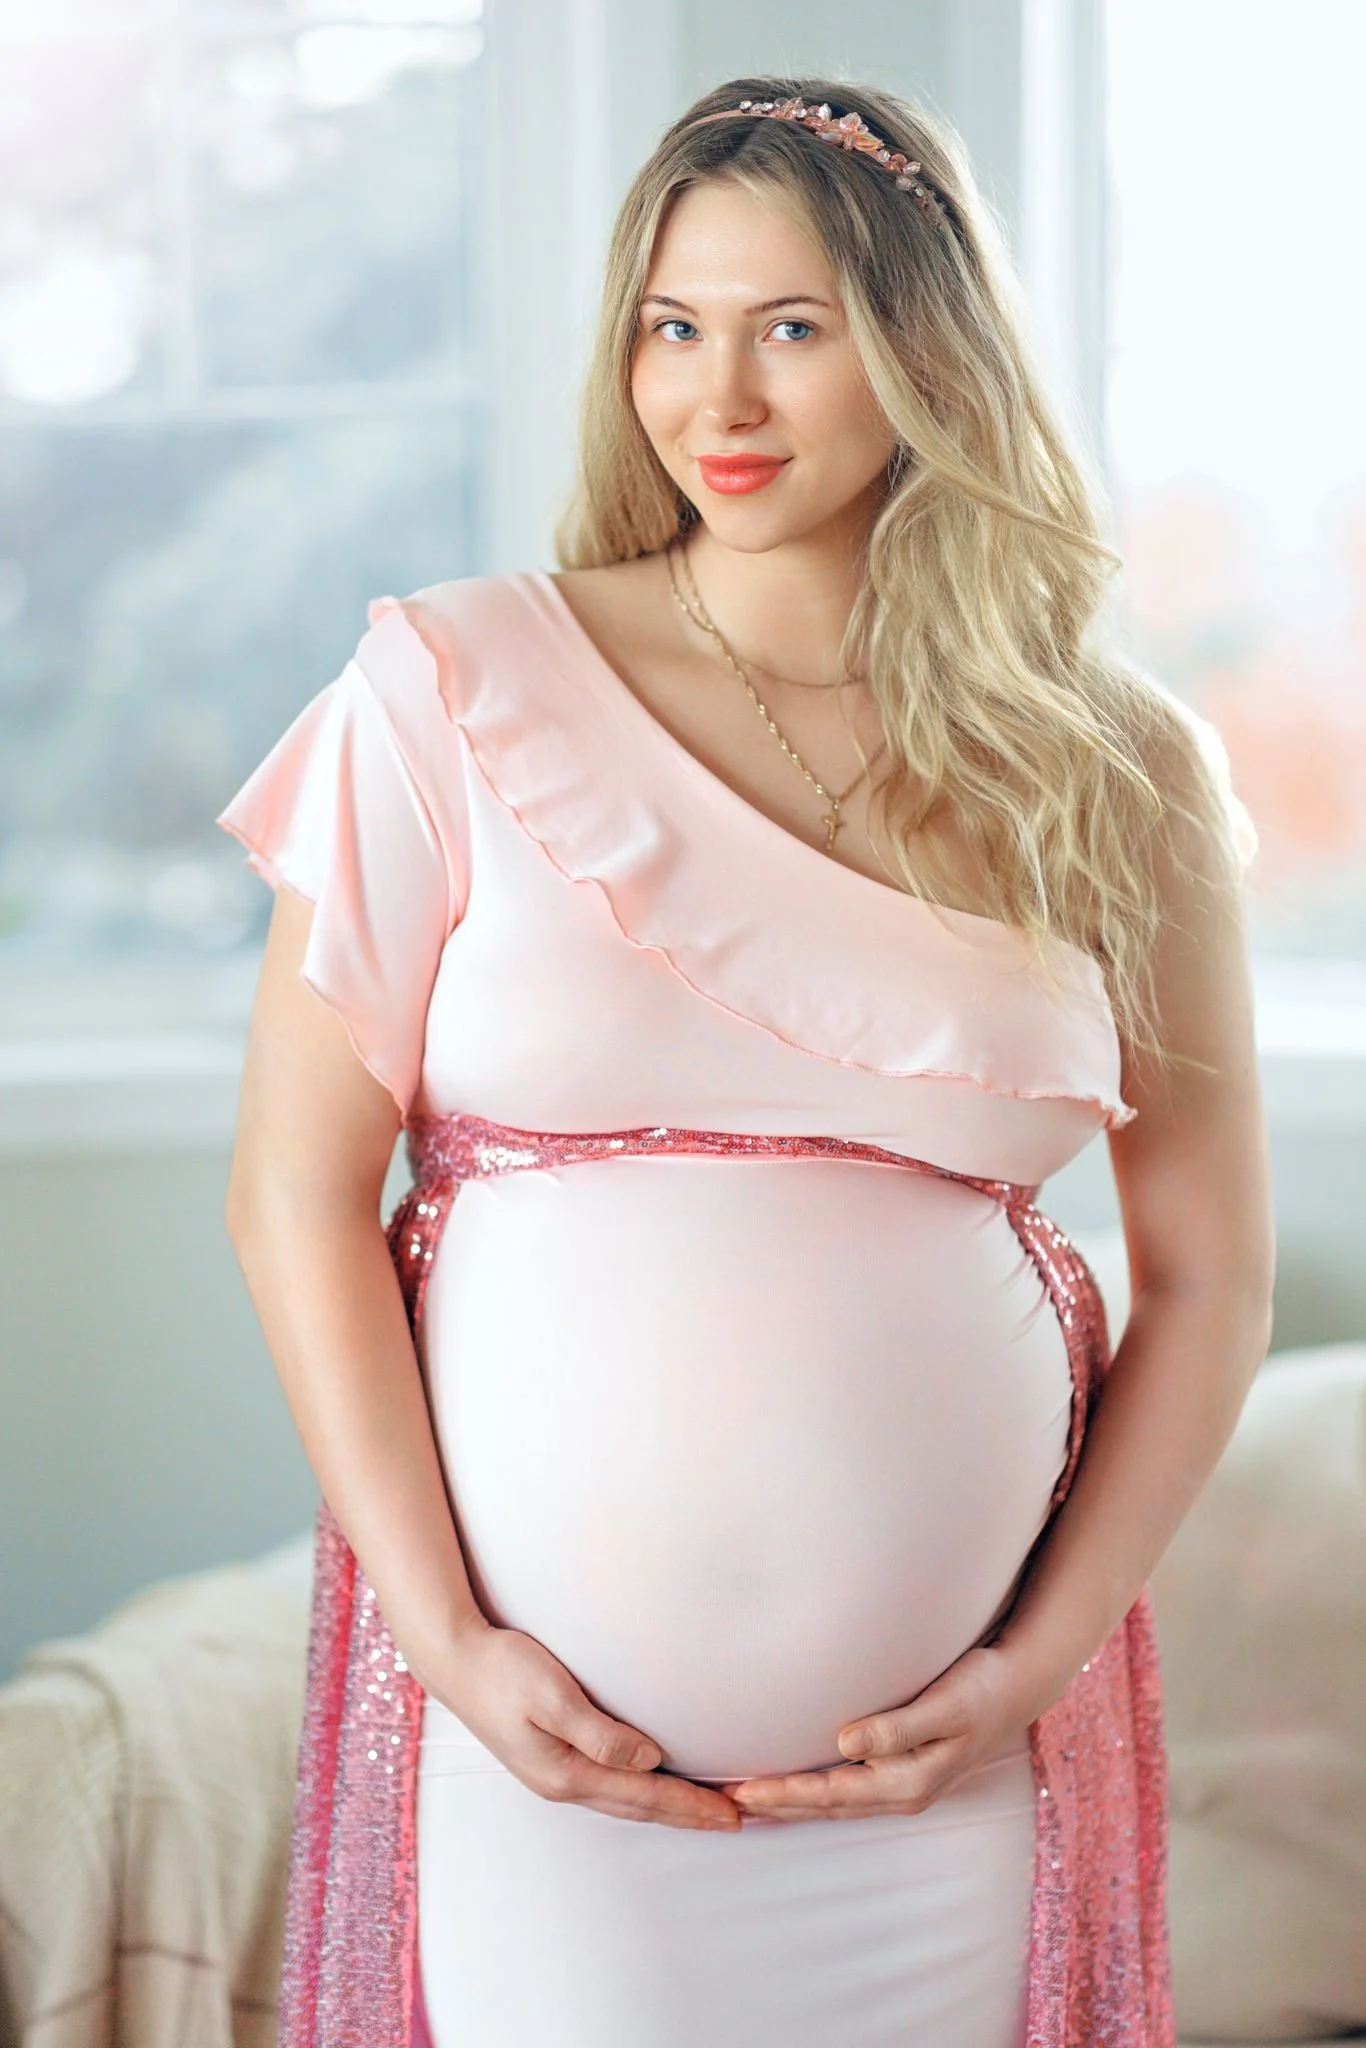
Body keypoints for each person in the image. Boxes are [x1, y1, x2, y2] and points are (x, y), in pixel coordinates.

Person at [219, 76, 1274, 2048]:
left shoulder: (1116, 773)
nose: (720, 393)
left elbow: (1208, 1273)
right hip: (554, 1761)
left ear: (922, 349)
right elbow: (292, 1194)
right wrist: (447, 1644)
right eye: (670, 326)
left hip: (946, 1783)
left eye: (793, 327)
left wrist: (1029, 1664)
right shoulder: (449, 688)